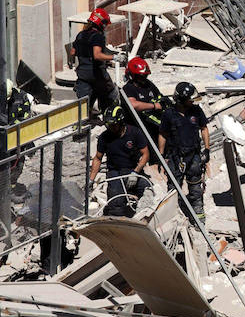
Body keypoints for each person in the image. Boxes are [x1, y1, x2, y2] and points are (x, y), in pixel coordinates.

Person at [158, 82, 210, 220]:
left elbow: (204, 129)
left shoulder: (197, 111)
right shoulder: (169, 114)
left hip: (193, 156)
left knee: (195, 186)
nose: (192, 102)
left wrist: (207, 149)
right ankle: (172, 215)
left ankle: (198, 213)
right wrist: (161, 155)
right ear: (181, 99)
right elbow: (163, 134)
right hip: (175, 157)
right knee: (173, 187)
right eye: (189, 99)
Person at [89, 105, 150, 217]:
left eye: (113, 125)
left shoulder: (134, 133)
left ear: (121, 122)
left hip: (133, 170)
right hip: (115, 172)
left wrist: (136, 172)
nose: (110, 127)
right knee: (116, 201)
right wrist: (91, 180)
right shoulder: (104, 137)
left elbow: (145, 154)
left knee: (148, 191)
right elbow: (98, 158)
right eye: (108, 125)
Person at [70, 8, 124, 114]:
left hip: (83, 74)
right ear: (101, 23)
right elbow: (97, 55)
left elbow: (72, 52)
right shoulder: (98, 36)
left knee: (84, 103)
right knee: (111, 94)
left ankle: (84, 120)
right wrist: (114, 57)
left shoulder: (81, 34)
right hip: (97, 74)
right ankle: (109, 116)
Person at [123, 56, 169, 140]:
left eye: (145, 76)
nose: (144, 79)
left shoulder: (149, 85)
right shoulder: (128, 88)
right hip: (137, 127)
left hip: (152, 124)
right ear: (133, 76)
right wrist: (154, 106)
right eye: (141, 76)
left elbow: (159, 97)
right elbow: (132, 105)